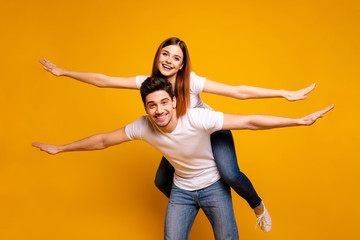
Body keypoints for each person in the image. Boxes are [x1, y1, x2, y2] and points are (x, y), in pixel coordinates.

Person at [39, 37, 316, 232]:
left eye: (176, 58)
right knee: (162, 180)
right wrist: (63, 72)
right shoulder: (147, 85)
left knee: (230, 174)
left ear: (183, 65)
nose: (169, 60)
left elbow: (238, 92)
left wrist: (283, 94)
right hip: (177, 140)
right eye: (165, 54)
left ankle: (256, 204)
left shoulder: (191, 82)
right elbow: (104, 81)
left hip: (209, 131)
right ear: (157, 56)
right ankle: (190, 203)